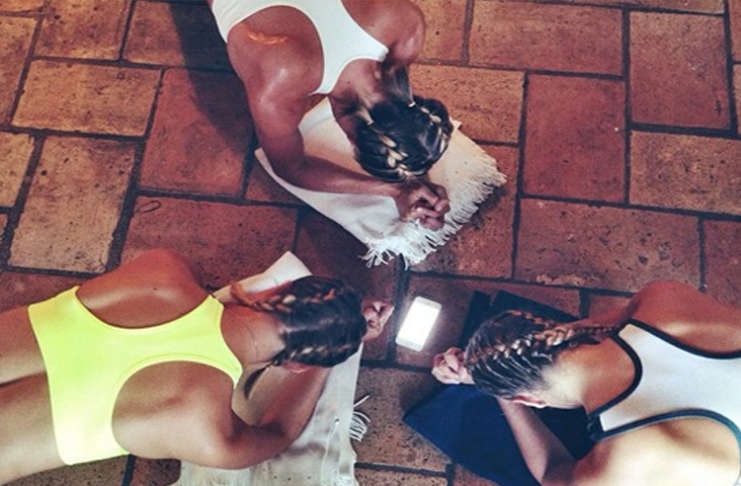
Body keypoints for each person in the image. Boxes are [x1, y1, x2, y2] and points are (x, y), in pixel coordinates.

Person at [0, 248, 392, 484]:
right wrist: (336, 351)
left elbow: (215, 300)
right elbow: (280, 431)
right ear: (296, 366)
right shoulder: (205, 428)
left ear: (275, 288)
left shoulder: (162, 269)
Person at [432, 281, 741, 486]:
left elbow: (551, 471)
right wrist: (492, 368)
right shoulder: (662, 297)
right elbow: (590, 328)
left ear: (529, 399)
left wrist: (500, 394)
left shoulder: (622, 459)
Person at [207, 0, 454, 229]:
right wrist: (394, 190)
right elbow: (291, 167)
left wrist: (413, 172)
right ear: (352, 138)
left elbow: (399, 100)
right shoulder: (280, 78)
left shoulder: (404, 23)